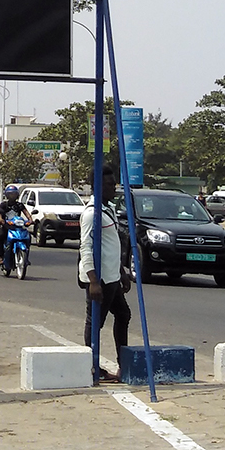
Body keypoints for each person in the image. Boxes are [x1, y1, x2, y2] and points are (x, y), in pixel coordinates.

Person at [80, 162, 132, 381]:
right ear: (98, 186)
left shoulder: (107, 209)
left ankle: (123, 364)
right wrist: (93, 282)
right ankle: (93, 367)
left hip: (112, 277)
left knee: (123, 314)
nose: (114, 188)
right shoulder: (92, 214)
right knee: (95, 324)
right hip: (100, 279)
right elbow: (86, 247)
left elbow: (111, 246)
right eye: (110, 184)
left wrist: (122, 272)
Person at [0, 185, 22, 265]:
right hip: (6, 227)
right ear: (7, 195)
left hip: (17, 227)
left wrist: (30, 220)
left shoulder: (19, 205)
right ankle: (1, 257)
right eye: (10, 194)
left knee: (27, 237)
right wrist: (1, 220)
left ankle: (24, 254)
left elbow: (26, 213)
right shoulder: (3, 205)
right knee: (0, 235)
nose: (12, 196)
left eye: (14, 194)